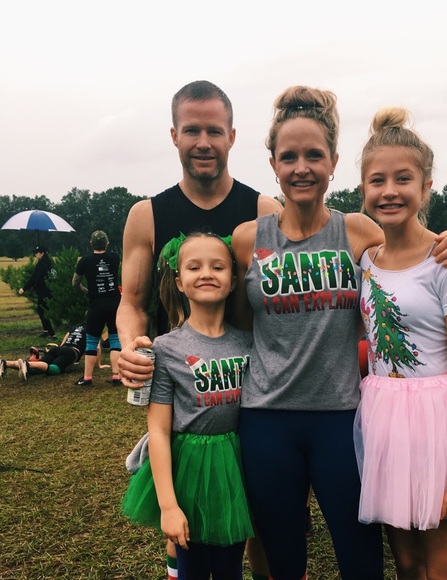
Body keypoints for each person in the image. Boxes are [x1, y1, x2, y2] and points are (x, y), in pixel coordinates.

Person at [230, 86, 447, 580]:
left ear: (333, 162)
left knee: (361, 557)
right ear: (273, 165)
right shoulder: (247, 239)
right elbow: (238, 328)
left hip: (342, 417)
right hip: (266, 417)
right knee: (282, 556)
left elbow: (413, 253)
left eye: (314, 155)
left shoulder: (359, 232)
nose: (301, 168)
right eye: (289, 157)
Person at [116, 80, 281, 580]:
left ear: (232, 136)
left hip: (256, 387)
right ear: (174, 135)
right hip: (184, 382)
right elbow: (131, 301)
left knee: (259, 523)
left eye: (214, 130)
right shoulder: (147, 215)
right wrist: (131, 346)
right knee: (187, 512)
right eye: (192, 130)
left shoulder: (264, 210)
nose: (203, 142)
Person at [353, 106, 447, 579]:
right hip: (384, 420)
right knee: (406, 562)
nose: (390, 190)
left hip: (439, 424)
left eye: (404, 179)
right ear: (363, 190)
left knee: (442, 566)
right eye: (377, 180)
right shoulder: (367, 261)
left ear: (426, 188)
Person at [121, 232, 255, 580]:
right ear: (179, 282)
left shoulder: (250, 343)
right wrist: (168, 505)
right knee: (191, 566)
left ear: (233, 280)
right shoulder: (165, 349)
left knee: (229, 566)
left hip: (235, 466)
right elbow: (158, 430)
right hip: (189, 469)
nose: (206, 273)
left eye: (218, 267)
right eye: (194, 267)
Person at [72, 230, 122, 387]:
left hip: (96, 305)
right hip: (115, 303)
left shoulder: (84, 261)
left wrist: (86, 292)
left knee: (91, 341)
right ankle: (116, 376)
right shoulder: (115, 258)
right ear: (107, 244)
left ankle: (87, 378)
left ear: (90, 244)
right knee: (115, 339)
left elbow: (75, 283)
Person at [0, 322, 87, 380]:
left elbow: (67, 336)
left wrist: (61, 347)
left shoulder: (76, 326)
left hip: (58, 349)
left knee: (37, 369)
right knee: (54, 369)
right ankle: (27, 364)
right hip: (71, 352)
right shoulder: (91, 328)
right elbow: (93, 347)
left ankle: (5, 363)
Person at [18, 244, 56, 340]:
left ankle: (52, 334)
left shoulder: (41, 265)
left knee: (43, 311)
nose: (35, 254)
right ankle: (46, 331)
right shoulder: (49, 263)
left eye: (37, 252)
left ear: (42, 253)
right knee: (41, 310)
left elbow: (34, 278)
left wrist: (24, 288)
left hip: (44, 291)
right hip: (49, 290)